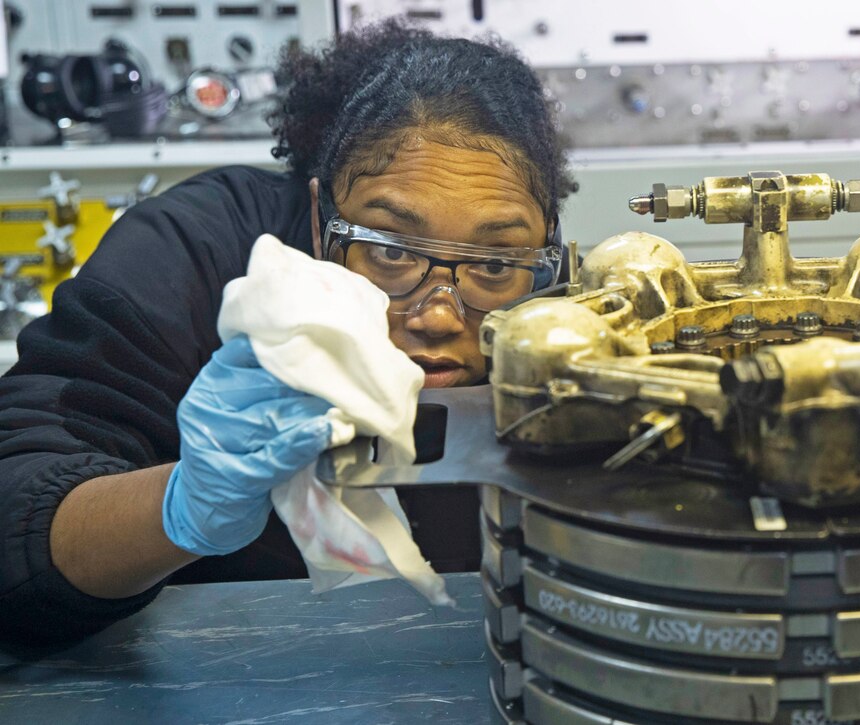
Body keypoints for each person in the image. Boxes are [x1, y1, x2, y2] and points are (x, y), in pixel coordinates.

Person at [0, 20, 574, 646]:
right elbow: (14, 514)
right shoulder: (193, 257)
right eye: (389, 252)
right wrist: (184, 505)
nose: (437, 316)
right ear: (317, 216)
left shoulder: (571, 317)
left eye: (493, 265)